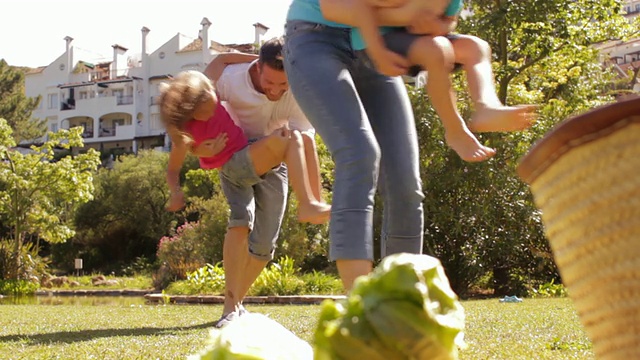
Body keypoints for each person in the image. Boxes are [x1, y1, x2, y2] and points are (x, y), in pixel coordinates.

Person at [283, 0, 425, 291]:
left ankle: (401, 301)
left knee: (405, 181)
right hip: (315, 38)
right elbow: (336, 7)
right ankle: (360, 304)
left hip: (374, 46)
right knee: (360, 152)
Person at [195, 37, 324, 328]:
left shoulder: (300, 91)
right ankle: (230, 308)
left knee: (264, 247)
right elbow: (192, 112)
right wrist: (197, 148)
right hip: (235, 155)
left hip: (274, 159)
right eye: (270, 82)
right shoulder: (232, 79)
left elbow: (305, 139)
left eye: (284, 84)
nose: (276, 91)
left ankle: (234, 305)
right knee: (242, 219)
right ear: (257, 67)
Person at [346, 0, 537, 161]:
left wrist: (437, 26)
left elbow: (450, 21)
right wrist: (410, 15)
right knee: (438, 48)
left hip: (420, 38)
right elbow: (364, 10)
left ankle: (487, 107)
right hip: (374, 40)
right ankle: (454, 130)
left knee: (476, 47)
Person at [161, 70, 329, 225]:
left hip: (246, 151)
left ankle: (314, 202)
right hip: (233, 164)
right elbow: (172, 170)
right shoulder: (186, 133)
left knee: (304, 139)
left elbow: (223, 59)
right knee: (291, 138)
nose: (211, 115)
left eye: (213, 108)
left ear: (211, 89)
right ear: (192, 114)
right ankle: (307, 204)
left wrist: (258, 57)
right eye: (204, 115)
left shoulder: (208, 92)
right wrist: (176, 192)